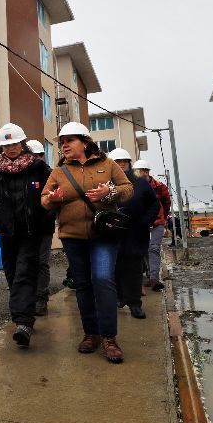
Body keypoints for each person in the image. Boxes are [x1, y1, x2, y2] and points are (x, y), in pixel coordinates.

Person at [41, 122, 133, 363]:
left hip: (103, 235)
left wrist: (109, 193)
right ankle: (90, 334)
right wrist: (53, 199)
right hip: (73, 237)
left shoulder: (107, 164)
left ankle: (109, 338)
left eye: (69, 141)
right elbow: (44, 199)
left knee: (102, 279)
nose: (64, 146)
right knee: (82, 285)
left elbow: (127, 188)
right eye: (62, 143)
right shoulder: (59, 171)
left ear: (84, 141)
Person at [0, 123, 51, 347]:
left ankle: (23, 323)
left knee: (23, 274)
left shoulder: (38, 168)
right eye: (6, 145)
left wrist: (45, 217)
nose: (11, 148)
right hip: (7, 234)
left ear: (22, 144)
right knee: (12, 274)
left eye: (14, 144)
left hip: (31, 233)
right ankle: (23, 310)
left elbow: (52, 194)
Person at [109, 149, 159, 319]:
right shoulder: (106, 183)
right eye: (117, 161)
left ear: (129, 163)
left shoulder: (140, 183)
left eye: (124, 161)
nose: (121, 164)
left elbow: (154, 204)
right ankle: (119, 297)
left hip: (136, 234)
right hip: (113, 233)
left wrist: (145, 220)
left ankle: (135, 304)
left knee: (134, 269)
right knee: (115, 267)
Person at [26, 139, 56, 316]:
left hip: (44, 227)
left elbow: (56, 200)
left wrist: (48, 215)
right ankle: (26, 297)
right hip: (25, 228)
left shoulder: (51, 175)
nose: (37, 158)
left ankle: (41, 298)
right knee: (26, 262)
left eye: (39, 155)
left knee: (41, 263)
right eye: (33, 155)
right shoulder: (22, 175)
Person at [134, 159, 172, 291]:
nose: (142, 173)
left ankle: (154, 278)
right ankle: (150, 273)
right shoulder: (132, 186)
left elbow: (167, 203)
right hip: (141, 223)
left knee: (153, 247)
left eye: (144, 171)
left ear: (147, 172)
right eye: (139, 171)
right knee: (144, 249)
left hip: (157, 222)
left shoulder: (159, 186)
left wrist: (163, 217)